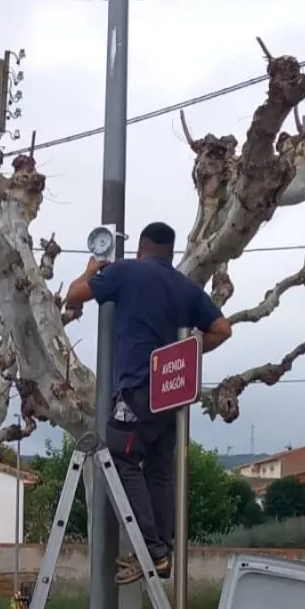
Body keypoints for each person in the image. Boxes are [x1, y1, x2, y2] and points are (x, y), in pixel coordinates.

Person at [64, 221, 232, 583]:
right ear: (169, 253)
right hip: (172, 397)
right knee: (158, 470)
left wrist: (91, 271)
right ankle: (163, 552)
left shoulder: (125, 272)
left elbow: (74, 296)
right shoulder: (184, 287)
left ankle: (153, 550)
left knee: (120, 455)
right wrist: (184, 359)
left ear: (140, 249)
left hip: (137, 388)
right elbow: (222, 329)